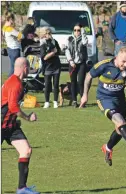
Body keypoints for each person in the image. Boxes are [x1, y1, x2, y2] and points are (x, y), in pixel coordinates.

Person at [79, 47, 126, 167]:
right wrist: (85, 95)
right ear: (117, 57)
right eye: (123, 61)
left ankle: (107, 148)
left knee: (120, 130)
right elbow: (88, 76)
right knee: (120, 123)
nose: (125, 64)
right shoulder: (104, 65)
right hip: (104, 99)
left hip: (120, 100)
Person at [1, 57, 40, 194]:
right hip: (2, 124)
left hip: (11, 126)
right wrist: (28, 118)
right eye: (28, 67)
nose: (29, 69)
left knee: (26, 151)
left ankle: (22, 188)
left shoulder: (16, 82)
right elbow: (12, 107)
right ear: (24, 68)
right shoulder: (15, 83)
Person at [65, 23, 88, 108]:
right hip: (72, 63)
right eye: (75, 30)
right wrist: (71, 61)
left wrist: (83, 33)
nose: (76, 32)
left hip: (81, 62)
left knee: (81, 82)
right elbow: (67, 51)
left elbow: (85, 43)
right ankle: (74, 100)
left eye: (78, 30)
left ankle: (83, 100)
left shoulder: (83, 38)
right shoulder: (69, 38)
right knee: (73, 82)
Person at [40, 27, 61, 109]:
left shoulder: (54, 42)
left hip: (56, 66)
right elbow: (44, 57)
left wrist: (54, 52)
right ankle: (47, 102)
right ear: (44, 35)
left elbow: (58, 51)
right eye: (46, 34)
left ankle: (55, 101)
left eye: (49, 33)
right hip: (47, 67)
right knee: (47, 85)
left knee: (56, 84)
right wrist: (53, 52)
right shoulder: (43, 44)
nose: (48, 35)